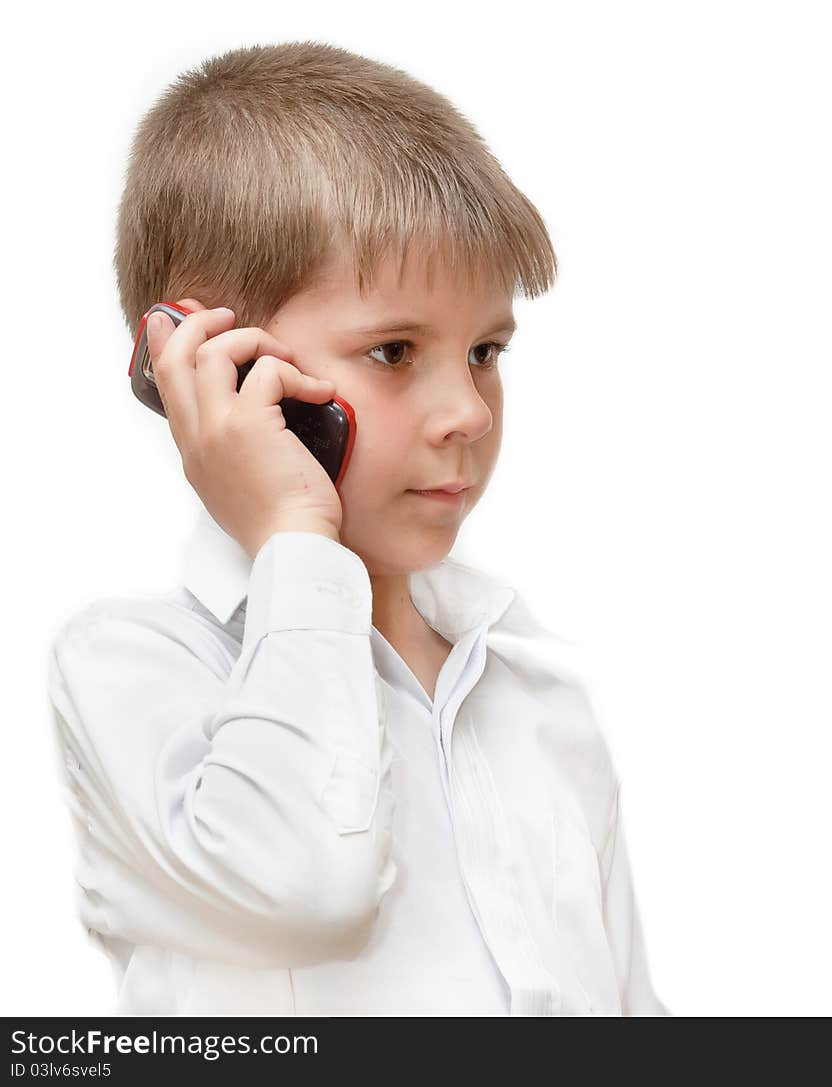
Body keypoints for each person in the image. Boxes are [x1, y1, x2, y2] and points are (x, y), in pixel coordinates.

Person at [46, 40, 670, 1016]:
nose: (466, 409)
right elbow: (305, 886)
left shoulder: (544, 708)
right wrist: (295, 525)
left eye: (483, 350)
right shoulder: (132, 671)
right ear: (208, 360)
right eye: (393, 350)